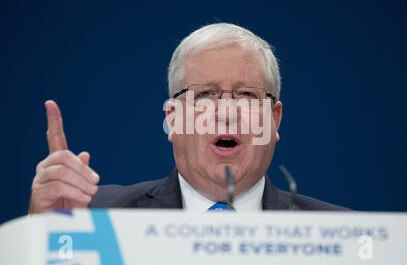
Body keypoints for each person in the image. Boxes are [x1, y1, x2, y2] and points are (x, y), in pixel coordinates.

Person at [29, 23, 347, 213]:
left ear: (274, 120)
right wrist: (41, 243)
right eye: (205, 95)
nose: (226, 114)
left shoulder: (342, 240)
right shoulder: (94, 218)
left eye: (247, 96)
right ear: (172, 117)